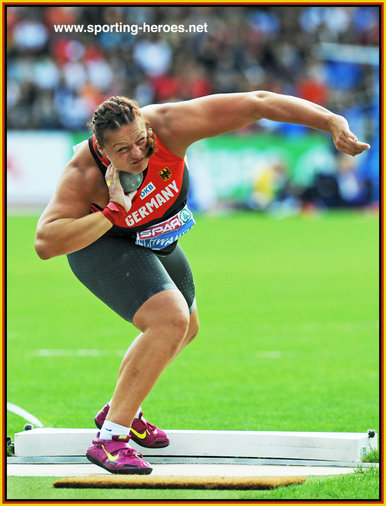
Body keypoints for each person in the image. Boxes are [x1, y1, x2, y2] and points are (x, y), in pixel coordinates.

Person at [35, 91, 370, 474]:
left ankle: (119, 406)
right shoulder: (85, 173)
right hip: (102, 242)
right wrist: (112, 211)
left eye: (142, 141)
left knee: (187, 327)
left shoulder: (171, 125)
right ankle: (111, 439)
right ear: (101, 148)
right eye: (122, 149)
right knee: (169, 320)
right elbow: (46, 243)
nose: (138, 153)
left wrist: (330, 121)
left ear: (147, 124)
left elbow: (257, 101)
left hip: (154, 235)